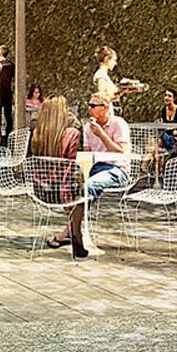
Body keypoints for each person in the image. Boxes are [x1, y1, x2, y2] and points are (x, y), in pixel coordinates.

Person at [48, 92, 131, 259]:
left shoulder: (118, 124)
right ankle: (73, 232)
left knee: (89, 185)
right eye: (89, 105)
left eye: (94, 106)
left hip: (116, 169)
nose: (90, 109)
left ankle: (75, 234)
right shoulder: (87, 128)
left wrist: (101, 134)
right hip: (94, 167)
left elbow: (122, 152)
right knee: (71, 184)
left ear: (106, 108)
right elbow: (87, 155)